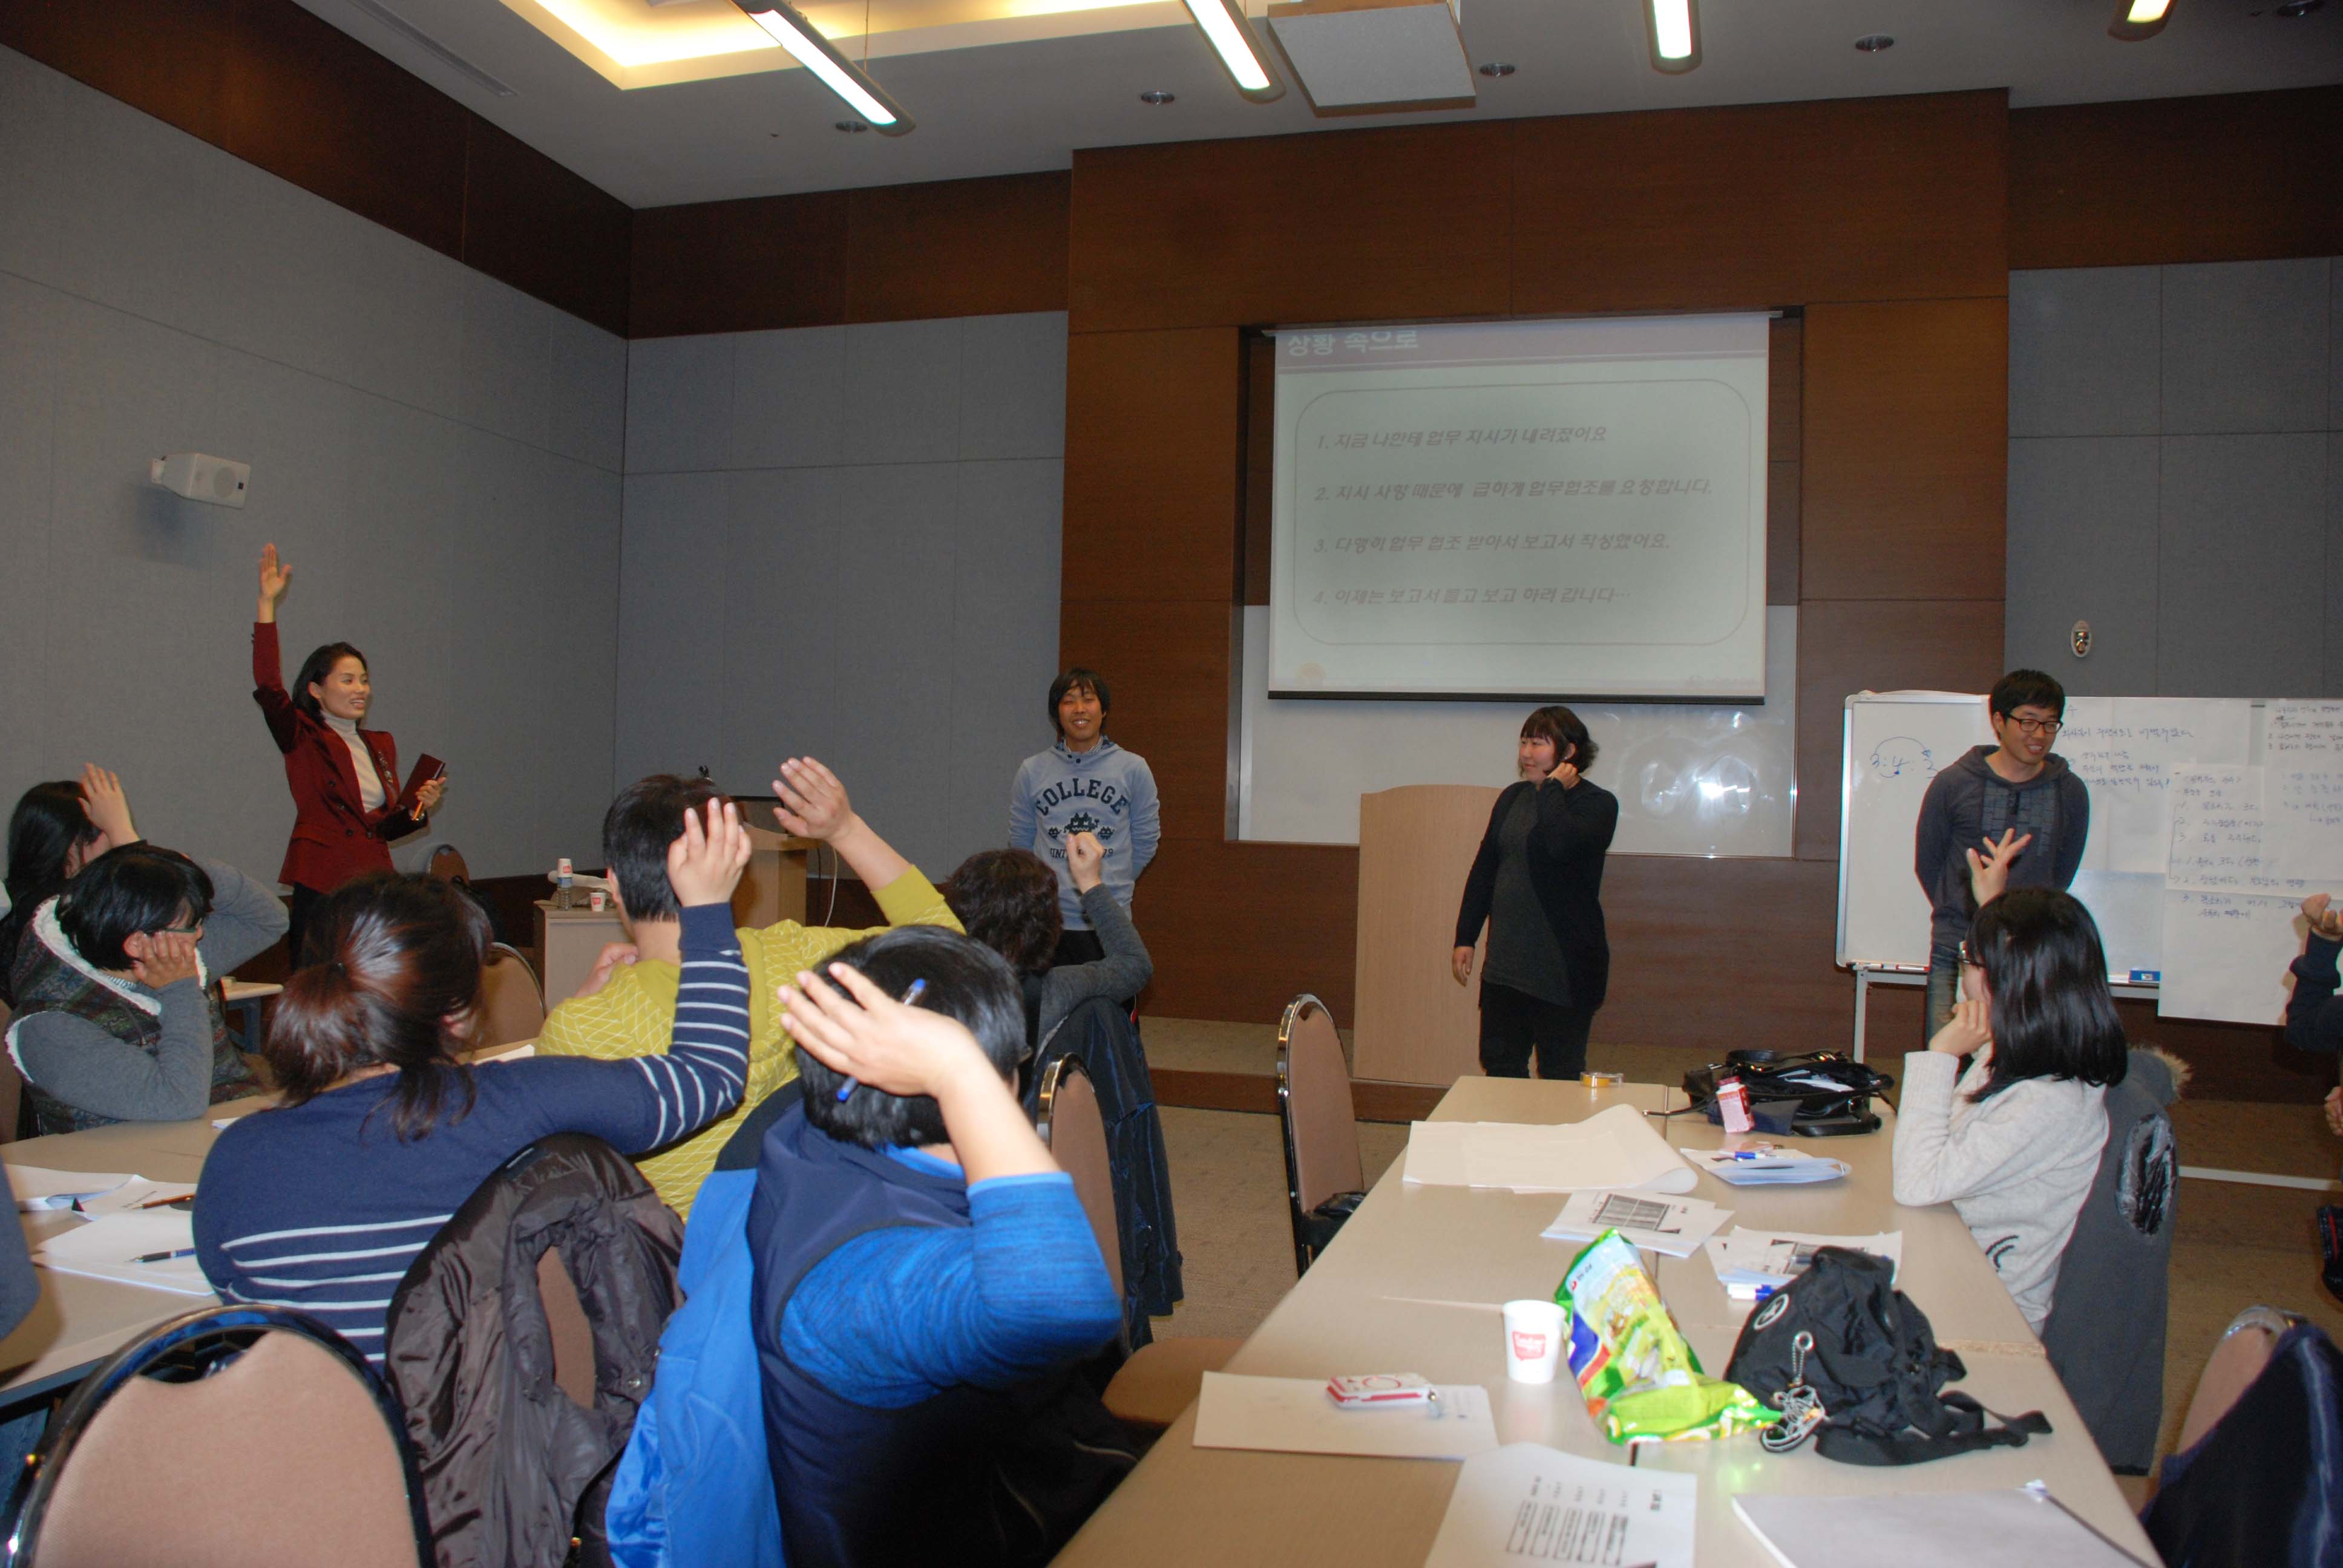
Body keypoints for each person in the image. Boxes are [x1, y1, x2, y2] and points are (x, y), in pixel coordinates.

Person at [192, 801, 752, 1367]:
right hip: (483, 1422)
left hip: (318, 1420)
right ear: (457, 1016)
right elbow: (710, 1074)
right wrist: (706, 912)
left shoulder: (237, 1158)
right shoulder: (518, 1104)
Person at [750, 926, 1134, 1567]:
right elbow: (1063, 1310)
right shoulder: (866, 1279)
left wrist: (956, 1069)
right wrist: (963, 1073)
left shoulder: (809, 1134)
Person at [537, 758, 960, 1218]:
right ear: (734, 868)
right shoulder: (800, 960)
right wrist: (846, 830)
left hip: (681, 1258)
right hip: (804, 1232)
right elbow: (953, 955)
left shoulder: (581, 1028)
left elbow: (553, 1174)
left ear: (614, 884)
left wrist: (580, 1005)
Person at [1891, 835, 2128, 1334]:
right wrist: (1992, 904)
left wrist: (1938, 1059)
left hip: (1986, 1316)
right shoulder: (2024, 1053)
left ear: (2012, 986)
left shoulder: (2046, 1102)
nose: (1963, 975)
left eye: (1970, 962)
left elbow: (1917, 1184)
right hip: (1946, 1258)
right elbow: (2010, 974)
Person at [250, 543, 447, 963]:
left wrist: (419, 806)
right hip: (323, 880)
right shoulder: (303, 736)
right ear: (316, 690)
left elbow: (383, 828)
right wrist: (266, 605)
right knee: (321, 978)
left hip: (373, 882)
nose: (361, 690)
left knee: (373, 978)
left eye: (364, 680)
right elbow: (268, 686)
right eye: (348, 680)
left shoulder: (380, 744)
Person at [5, 842, 283, 1133]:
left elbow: (267, 919)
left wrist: (173, 867)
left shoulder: (152, 956)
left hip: (225, 1129)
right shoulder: (49, 1029)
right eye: (192, 926)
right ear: (138, 943)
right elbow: (180, 1100)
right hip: (133, 1155)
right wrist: (181, 991)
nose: (200, 934)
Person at [1913, 668, 2089, 1044]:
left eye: (2050, 724)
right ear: (1998, 721)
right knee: (1945, 1055)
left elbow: (2063, 871)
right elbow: (1929, 864)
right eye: (2028, 721)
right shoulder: (1953, 783)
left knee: (2025, 1057)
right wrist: (1965, 909)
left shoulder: (2070, 791)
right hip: (1958, 948)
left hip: (2031, 954)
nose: (2039, 735)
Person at [1451, 706, 1619, 1082]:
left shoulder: (1598, 804)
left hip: (1562, 967)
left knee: (1560, 1074)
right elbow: (1485, 869)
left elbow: (1558, 845)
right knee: (1501, 1067)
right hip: (1506, 964)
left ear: (1569, 752)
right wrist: (1466, 936)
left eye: (1538, 744)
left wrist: (1553, 789)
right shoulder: (1513, 798)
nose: (1526, 754)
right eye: (1524, 743)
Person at [1008, 667, 1159, 967]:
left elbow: (1146, 841)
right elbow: (1021, 842)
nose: (1079, 709)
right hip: (1050, 919)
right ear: (1057, 713)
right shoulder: (1032, 771)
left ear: (1103, 710)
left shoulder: (1134, 769)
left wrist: (1111, 883)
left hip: (1109, 918)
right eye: (1069, 701)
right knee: (1049, 997)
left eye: (1088, 699)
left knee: (1110, 996)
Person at [945, 831, 1151, 1048]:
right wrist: (1090, 882)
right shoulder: (1060, 989)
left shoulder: (932, 990)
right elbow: (1135, 964)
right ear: (1048, 925)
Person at [0, 765, 141, 1005]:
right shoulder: (57, 911)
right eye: (105, 831)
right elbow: (159, 908)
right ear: (76, 840)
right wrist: (123, 834)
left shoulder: (16, 901)